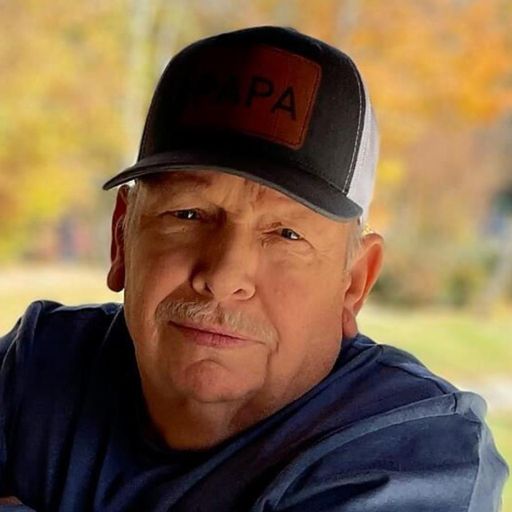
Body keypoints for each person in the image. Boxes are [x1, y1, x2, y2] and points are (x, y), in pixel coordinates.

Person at [0, 26, 508, 512]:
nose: (224, 277)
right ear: (122, 237)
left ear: (353, 283)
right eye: (188, 215)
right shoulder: (38, 366)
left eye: (286, 234)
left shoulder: (414, 455)